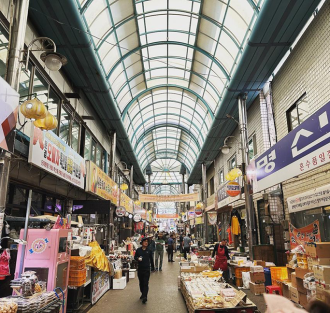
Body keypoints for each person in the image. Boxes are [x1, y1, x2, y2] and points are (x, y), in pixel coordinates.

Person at [134, 237, 153, 304]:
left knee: (145, 283)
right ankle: (142, 293)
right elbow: (135, 257)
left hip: (147, 269)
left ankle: (145, 296)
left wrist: (153, 268)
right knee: (141, 283)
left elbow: (151, 259)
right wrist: (137, 259)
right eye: (145, 241)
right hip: (140, 269)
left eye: (147, 241)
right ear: (142, 243)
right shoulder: (138, 250)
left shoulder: (149, 250)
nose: (146, 243)